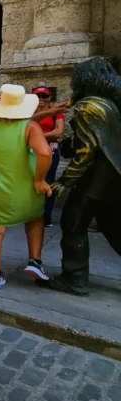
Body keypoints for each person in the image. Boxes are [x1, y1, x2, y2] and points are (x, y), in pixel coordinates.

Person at [45, 58, 121, 296]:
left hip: (95, 180)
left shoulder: (88, 107)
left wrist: (65, 180)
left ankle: (74, 278)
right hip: (112, 177)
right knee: (114, 228)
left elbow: (86, 153)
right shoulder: (107, 104)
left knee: (73, 223)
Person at [0, 85, 53, 291]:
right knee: (35, 218)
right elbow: (45, 153)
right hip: (24, 183)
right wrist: (40, 180)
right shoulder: (29, 128)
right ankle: (35, 261)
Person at [32, 86, 64, 227]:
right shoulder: (29, 112)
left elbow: (59, 132)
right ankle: (31, 213)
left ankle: (46, 216)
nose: (41, 100)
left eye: (44, 96)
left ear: (49, 98)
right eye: (38, 96)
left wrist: (35, 137)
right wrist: (45, 137)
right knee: (31, 181)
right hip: (32, 152)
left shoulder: (55, 112)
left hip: (50, 151)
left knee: (49, 181)